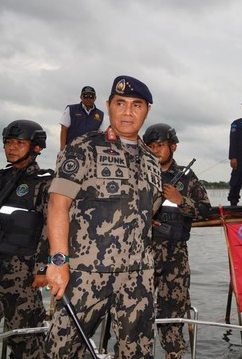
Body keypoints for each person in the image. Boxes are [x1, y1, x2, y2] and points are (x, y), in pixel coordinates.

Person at [45, 75, 162, 358]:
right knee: (64, 350)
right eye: (120, 103)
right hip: (86, 273)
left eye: (136, 105)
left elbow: (150, 210)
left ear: (147, 110)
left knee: (137, 352)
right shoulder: (84, 147)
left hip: (138, 276)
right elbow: (57, 204)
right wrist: (58, 261)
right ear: (108, 106)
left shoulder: (151, 159)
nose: (127, 111)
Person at [0, 120, 53, 359]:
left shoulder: (44, 183)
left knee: (25, 337)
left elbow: (49, 228)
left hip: (20, 271)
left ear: (36, 148)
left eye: (19, 143)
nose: (11, 148)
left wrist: (42, 268)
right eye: (9, 142)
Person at [143, 123, 212, 358]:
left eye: (160, 145)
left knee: (172, 315)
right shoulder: (138, 175)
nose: (155, 151)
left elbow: (205, 210)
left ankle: (174, 354)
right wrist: (144, 220)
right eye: (150, 146)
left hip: (175, 256)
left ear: (173, 146)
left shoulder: (187, 177)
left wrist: (181, 200)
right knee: (135, 313)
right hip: (142, 254)